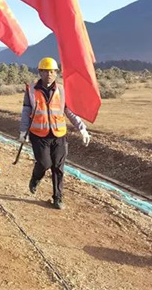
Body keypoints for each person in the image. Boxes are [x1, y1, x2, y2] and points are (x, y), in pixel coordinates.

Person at [19, 57, 91, 210]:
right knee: (44, 164)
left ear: (56, 73)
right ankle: (36, 178)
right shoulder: (31, 90)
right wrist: (23, 131)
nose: (49, 74)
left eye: (52, 71)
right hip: (39, 134)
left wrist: (82, 128)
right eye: (46, 71)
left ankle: (57, 198)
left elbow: (69, 111)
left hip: (59, 135)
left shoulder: (62, 90)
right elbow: (26, 112)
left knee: (58, 167)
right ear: (40, 72)